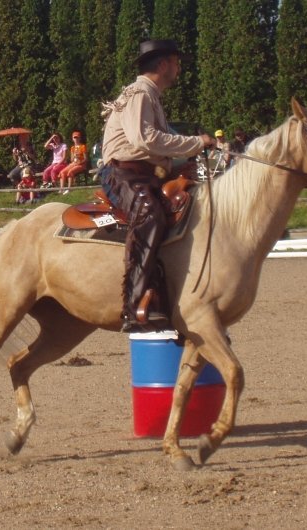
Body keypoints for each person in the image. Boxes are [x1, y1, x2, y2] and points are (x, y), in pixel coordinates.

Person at [100, 39, 215, 332]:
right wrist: (194, 143)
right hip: (123, 174)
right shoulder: (139, 93)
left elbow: (152, 148)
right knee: (149, 215)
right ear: (163, 64)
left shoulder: (149, 96)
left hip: (144, 173)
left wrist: (179, 165)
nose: (178, 68)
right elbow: (144, 139)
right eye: (176, 62)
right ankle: (134, 305)